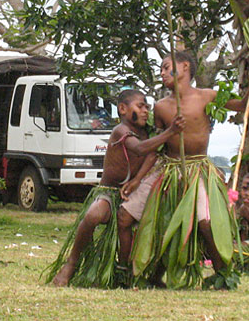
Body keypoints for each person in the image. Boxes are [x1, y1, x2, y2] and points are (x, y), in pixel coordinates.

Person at [118, 51, 249, 289]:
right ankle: (142, 274)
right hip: (168, 170)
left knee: (205, 222)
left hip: (198, 169)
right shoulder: (162, 106)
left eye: (167, 67)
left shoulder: (207, 96)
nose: (163, 72)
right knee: (150, 219)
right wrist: (137, 180)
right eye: (162, 69)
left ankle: (223, 275)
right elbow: (157, 148)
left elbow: (242, 105)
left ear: (185, 67)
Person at [45, 89, 185, 288]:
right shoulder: (121, 130)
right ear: (122, 109)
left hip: (134, 192)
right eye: (140, 106)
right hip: (109, 192)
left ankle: (128, 272)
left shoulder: (148, 132)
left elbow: (152, 154)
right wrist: (170, 131)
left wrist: (137, 180)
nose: (145, 111)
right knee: (93, 215)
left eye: (147, 106)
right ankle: (71, 264)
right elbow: (139, 148)